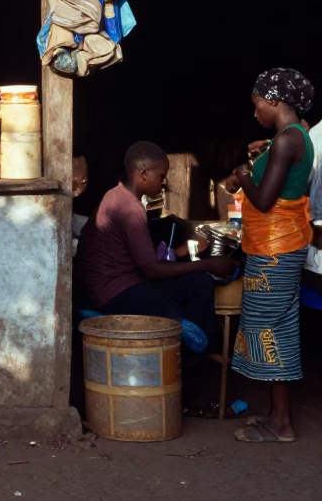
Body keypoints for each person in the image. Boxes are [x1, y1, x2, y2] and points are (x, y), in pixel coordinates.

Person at [76, 142, 233, 352]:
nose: (164, 183)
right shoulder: (129, 208)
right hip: (114, 293)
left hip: (113, 287)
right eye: (161, 176)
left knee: (198, 283)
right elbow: (151, 270)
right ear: (144, 174)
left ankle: (196, 353)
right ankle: (190, 357)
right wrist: (209, 264)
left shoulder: (116, 196)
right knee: (181, 306)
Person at [229, 68, 315, 444]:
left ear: (274, 100)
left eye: (257, 104)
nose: (255, 113)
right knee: (275, 326)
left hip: (275, 250)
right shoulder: (294, 136)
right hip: (278, 246)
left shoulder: (287, 140)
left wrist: (244, 175)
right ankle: (276, 414)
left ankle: (282, 424)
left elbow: (264, 200)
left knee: (271, 330)